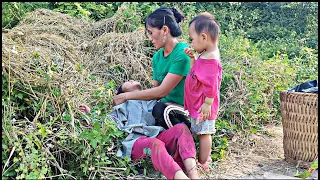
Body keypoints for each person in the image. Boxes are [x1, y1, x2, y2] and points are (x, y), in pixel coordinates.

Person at [79, 80, 199, 179]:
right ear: (121, 93)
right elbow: (106, 123)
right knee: (155, 144)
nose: (130, 80)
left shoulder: (153, 100)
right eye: (126, 83)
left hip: (157, 134)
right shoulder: (122, 106)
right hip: (136, 141)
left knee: (181, 129)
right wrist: (90, 115)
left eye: (132, 80)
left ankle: (194, 175)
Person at [112, 7, 191, 125]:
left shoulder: (183, 53)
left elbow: (162, 92)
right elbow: (155, 91)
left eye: (151, 33)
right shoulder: (157, 57)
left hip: (183, 110)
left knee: (160, 110)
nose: (150, 38)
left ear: (165, 30)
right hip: (164, 107)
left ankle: (183, 132)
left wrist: (126, 96)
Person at [183, 12, 223, 170]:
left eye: (192, 39)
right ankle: (203, 157)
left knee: (204, 133)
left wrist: (208, 103)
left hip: (204, 105)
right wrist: (192, 58)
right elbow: (196, 75)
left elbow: (212, 84)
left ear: (204, 37)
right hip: (199, 103)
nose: (191, 43)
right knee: (200, 131)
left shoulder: (211, 59)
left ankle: (203, 161)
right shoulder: (205, 55)